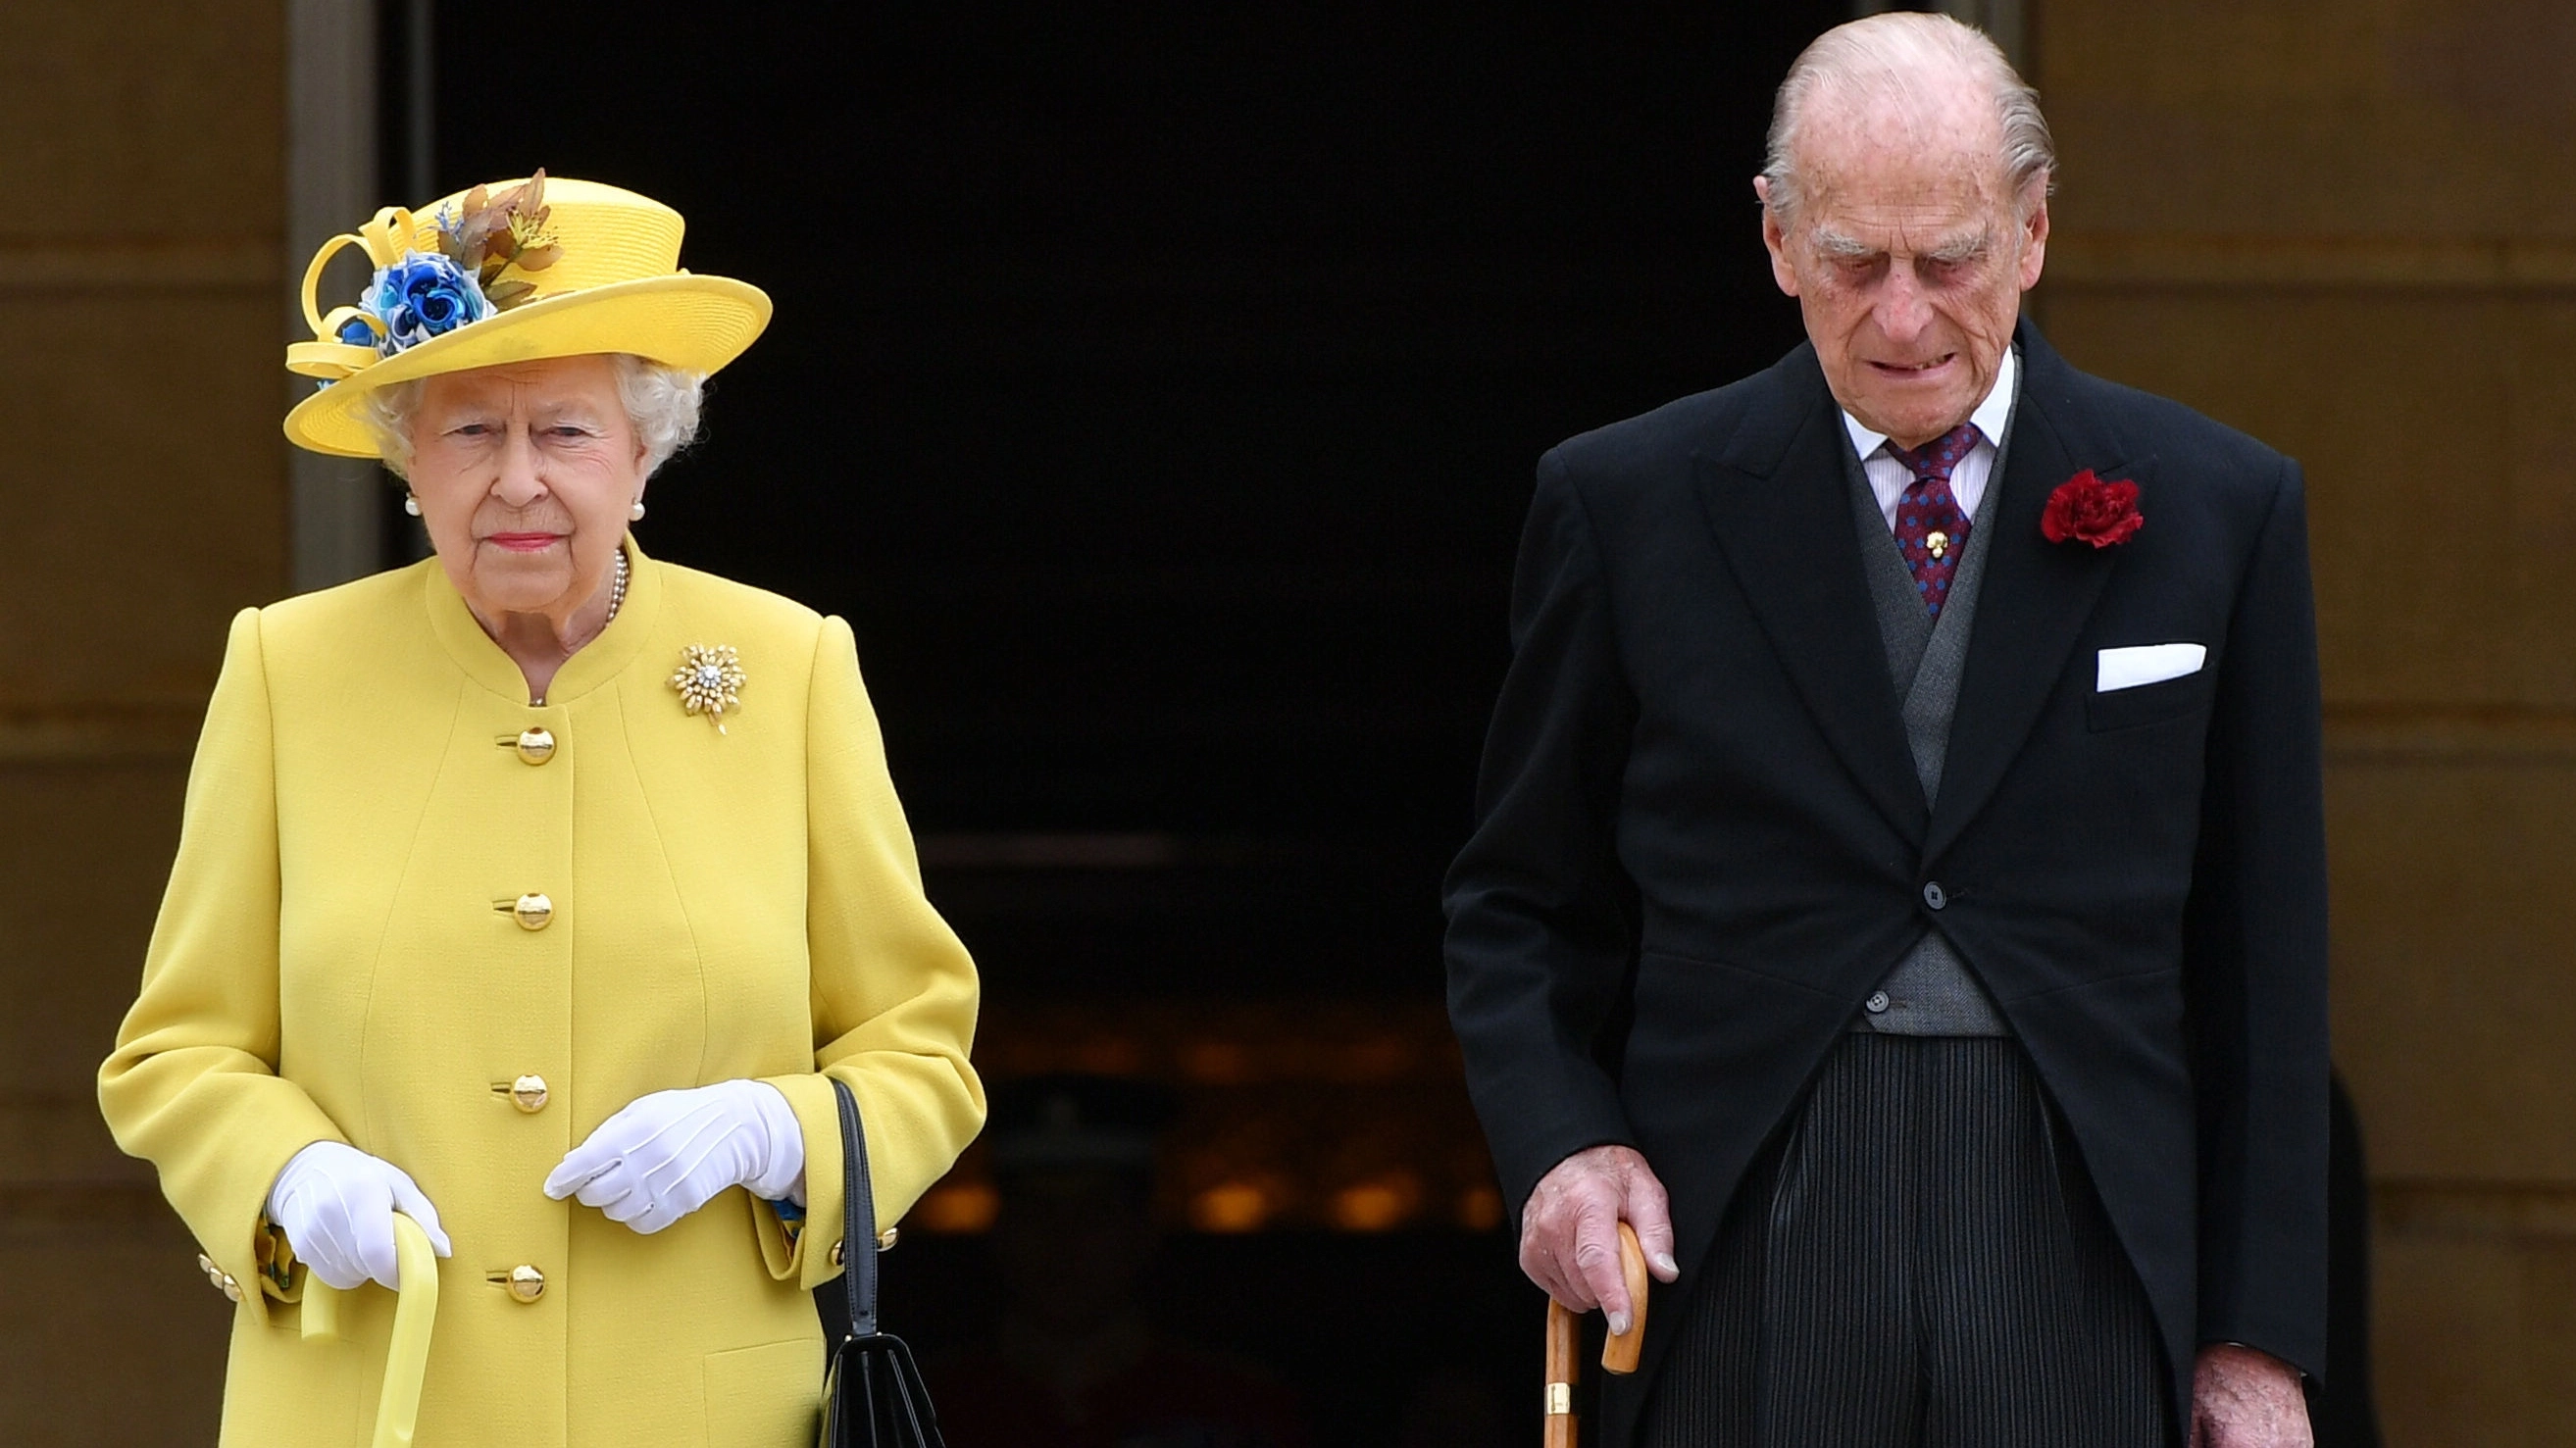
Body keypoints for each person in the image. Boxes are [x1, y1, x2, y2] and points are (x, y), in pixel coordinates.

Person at [1443, 15, 2326, 1447]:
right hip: (1744, 1228)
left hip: (2082, 1231)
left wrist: (2253, 1338)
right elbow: (1517, 903)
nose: (1902, 320)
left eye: (1948, 260)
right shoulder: (1625, 504)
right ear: (1776, 240)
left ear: (2031, 233)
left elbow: (2263, 961)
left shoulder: (2217, 509)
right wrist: (1561, 1145)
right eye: (1854, 264)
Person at [97, 173, 985, 1446]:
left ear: (644, 453)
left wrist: (771, 1132)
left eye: (566, 432)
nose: (517, 481)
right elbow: (180, 1051)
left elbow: (918, 1055)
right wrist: (285, 1170)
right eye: (469, 432)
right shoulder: (289, 669)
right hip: (369, 1405)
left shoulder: (789, 667)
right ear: (409, 463)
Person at [928, 1074, 1311, 1448]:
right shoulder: (928, 1407)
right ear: (1001, 1231)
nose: (1064, 1240)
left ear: (1143, 1231)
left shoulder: (1235, 1411)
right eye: (1037, 1212)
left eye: (1095, 1214)